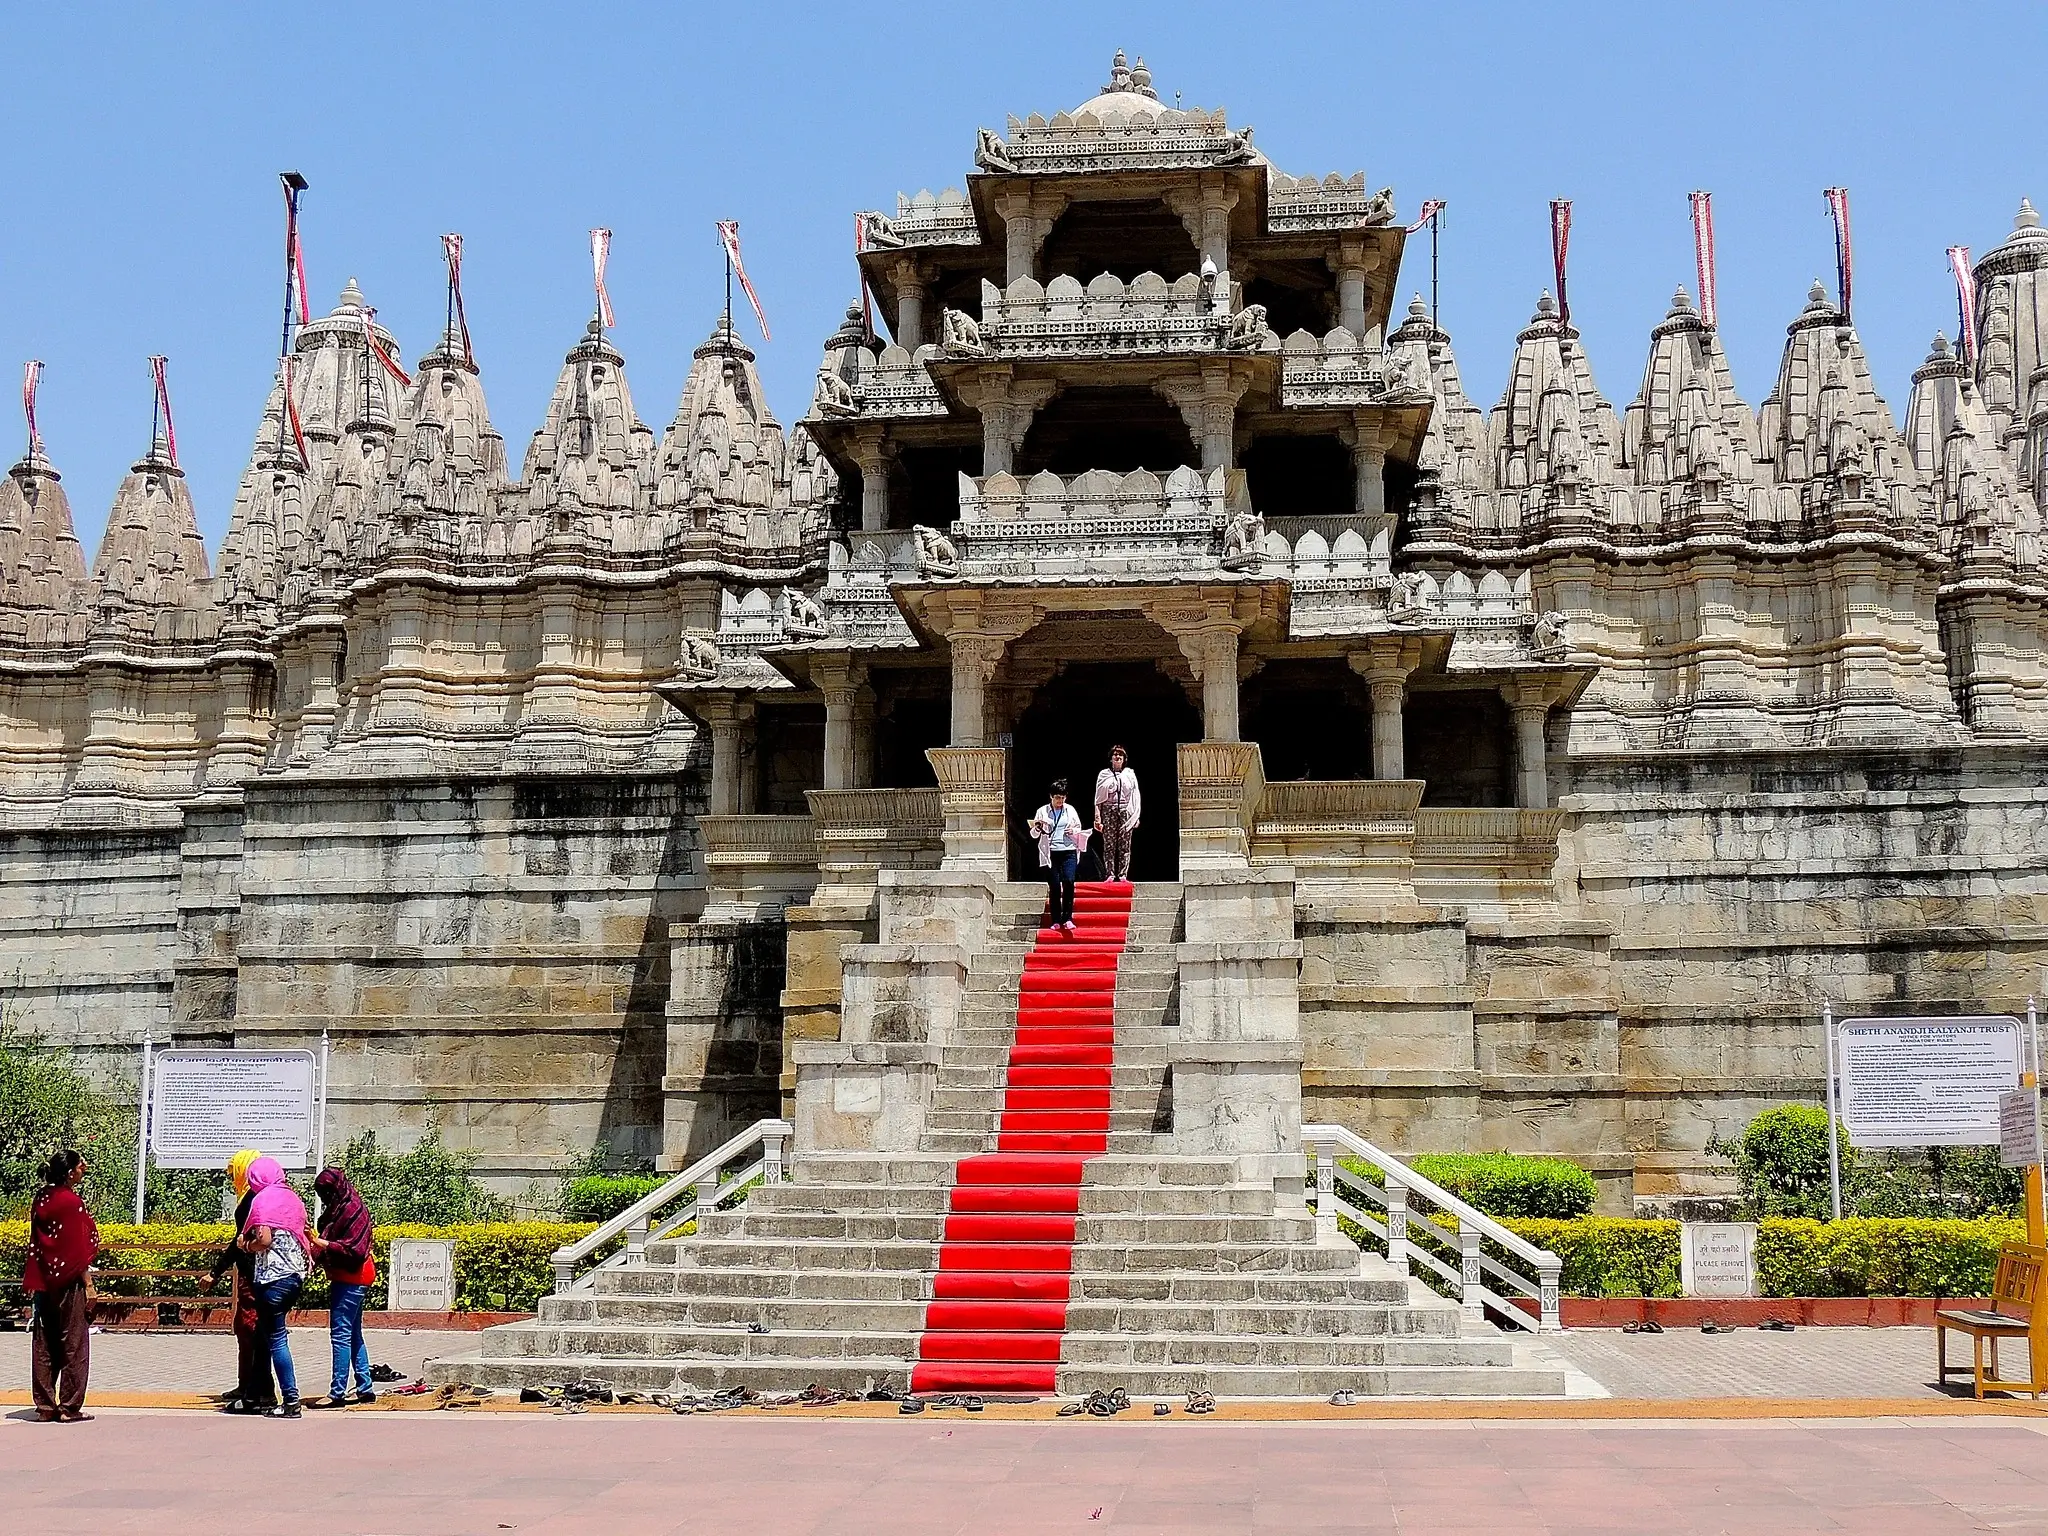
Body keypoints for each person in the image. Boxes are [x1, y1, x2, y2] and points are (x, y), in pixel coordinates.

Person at [23, 1148, 97, 1422]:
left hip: (44, 1281)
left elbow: (43, 1242)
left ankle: (44, 1406)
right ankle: (68, 1407)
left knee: (44, 1343)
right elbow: (77, 1250)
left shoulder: (42, 1198)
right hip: (70, 1283)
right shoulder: (70, 1202)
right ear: (70, 1173)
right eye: (81, 1165)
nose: (84, 1167)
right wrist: (89, 1286)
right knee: (74, 1343)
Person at [239, 1156, 311, 1418]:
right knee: (273, 1335)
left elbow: (264, 1240)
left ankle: (291, 1401)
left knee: (277, 1340)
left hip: (272, 1280)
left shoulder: (263, 1200)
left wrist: (245, 1246)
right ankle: (268, 1394)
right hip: (294, 1277)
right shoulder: (292, 1198)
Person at [207, 1148, 272, 1414]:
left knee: (251, 1329)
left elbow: (240, 1242)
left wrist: (215, 1271)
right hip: (252, 1273)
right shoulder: (251, 1196)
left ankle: (256, 1390)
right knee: (245, 1330)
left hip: (254, 1275)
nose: (231, 1175)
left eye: (235, 1170)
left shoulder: (253, 1200)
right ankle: (246, 1384)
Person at [309, 1168, 377, 1408]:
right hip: (351, 1277)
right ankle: (365, 1387)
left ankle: (337, 1392)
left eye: (326, 1193)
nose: (324, 1198)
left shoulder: (352, 1211)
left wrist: (321, 1243)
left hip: (351, 1277)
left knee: (340, 1335)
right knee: (353, 1334)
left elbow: (354, 1250)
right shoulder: (342, 1208)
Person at [1028, 779, 1087, 935]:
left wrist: (1072, 831)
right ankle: (1055, 920)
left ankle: (1067, 918)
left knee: (1069, 880)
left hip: (1068, 850)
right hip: (1051, 852)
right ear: (1051, 797)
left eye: (1062, 797)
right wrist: (1038, 828)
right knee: (1054, 886)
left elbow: (1078, 828)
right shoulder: (1042, 811)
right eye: (1057, 798)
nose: (1060, 801)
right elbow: (1033, 834)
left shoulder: (1070, 810)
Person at [1093, 745, 1141, 885]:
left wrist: (1135, 816)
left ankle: (1123, 874)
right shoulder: (1103, 774)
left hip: (1125, 810)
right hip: (1109, 810)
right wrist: (1097, 817)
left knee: (1125, 844)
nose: (1117, 757)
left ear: (1124, 759)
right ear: (1111, 758)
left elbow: (1135, 796)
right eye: (1115, 755)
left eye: (1120, 755)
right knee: (1109, 844)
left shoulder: (1130, 774)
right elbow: (1098, 798)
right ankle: (1109, 873)